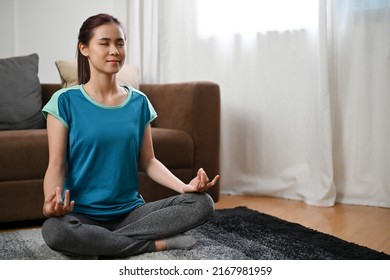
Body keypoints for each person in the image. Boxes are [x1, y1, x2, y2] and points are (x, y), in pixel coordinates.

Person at [41, 13, 219, 258]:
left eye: (120, 43)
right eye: (104, 43)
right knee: (54, 231)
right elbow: (57, 164)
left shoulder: (139, 102)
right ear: (84, 48)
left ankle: (102, 243)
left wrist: (184, 188)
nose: (114, 50)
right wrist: (50, 202)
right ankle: (153, 244)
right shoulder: (64, 101)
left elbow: (149, 161)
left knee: (202, 204)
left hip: (131, 213)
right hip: (80, 214)